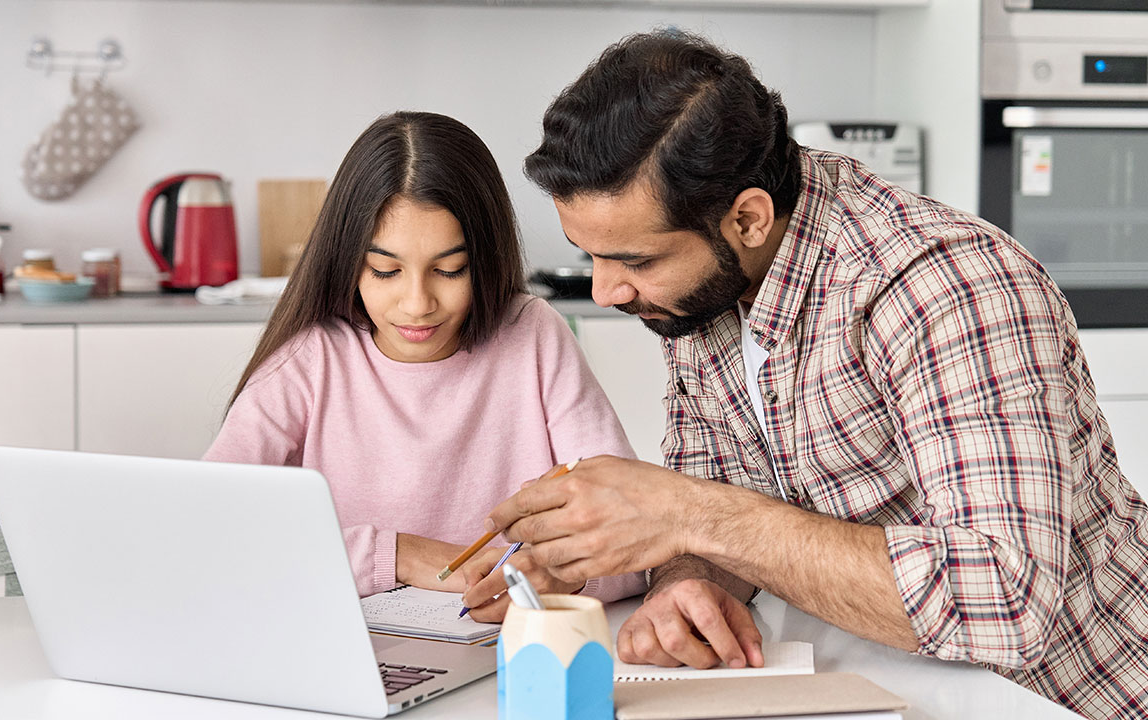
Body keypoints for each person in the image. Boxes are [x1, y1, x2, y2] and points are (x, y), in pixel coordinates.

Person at [478, 31, 1148, 720]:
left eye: (636, 261)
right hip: (886, 686)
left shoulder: (946, 287)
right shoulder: (702, 289)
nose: (606, 291)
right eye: (590, 256)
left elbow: (1004, 604)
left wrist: (682, 513)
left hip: (1073, 699)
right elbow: (731, 508)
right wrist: (686, 584)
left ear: (748, 218)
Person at [205, 111, 645, 619]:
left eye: (449, 269)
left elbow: (634, 536)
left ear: (485, 260)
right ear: (348, 262)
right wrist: (396, 555)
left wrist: (562, 573)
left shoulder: (532, 333)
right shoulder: (312, 358)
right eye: (385, 270)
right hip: (354, 654)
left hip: (507, 650)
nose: (417, 303)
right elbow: (211, 528)